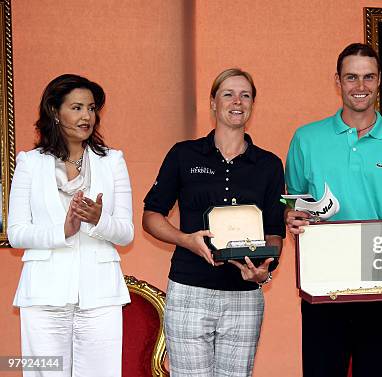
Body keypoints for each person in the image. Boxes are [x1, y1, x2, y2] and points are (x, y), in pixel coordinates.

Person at [285, 43, 382, 377]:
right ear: (338, 81)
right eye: (351, 77)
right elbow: (293, 203)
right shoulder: (306, 138)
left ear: (379, 81)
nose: (360, 86)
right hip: (322, 286)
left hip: (377, 290)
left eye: (368, 77)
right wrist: (291, 218)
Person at [142, 68, 285, 377]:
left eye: (245, 95)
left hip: (244, 298)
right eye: (228, 94)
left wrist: (264, 269)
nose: (237, 101)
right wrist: (186, 240)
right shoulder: (184, 155)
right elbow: (151, 216)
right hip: (189, 290)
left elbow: (275, 232)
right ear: (213, 102)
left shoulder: (270, 165)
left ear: (252, 104)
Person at [8, 74, 134, 376]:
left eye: (91, 108)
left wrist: (98, 220)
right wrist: (61, 232)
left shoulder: (112, 161)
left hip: (100, 295)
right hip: (42, 293)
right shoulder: (29, 163)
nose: (87, 116)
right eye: (77, 107)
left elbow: (126, 232)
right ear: (54, 111)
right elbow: (16, 233)